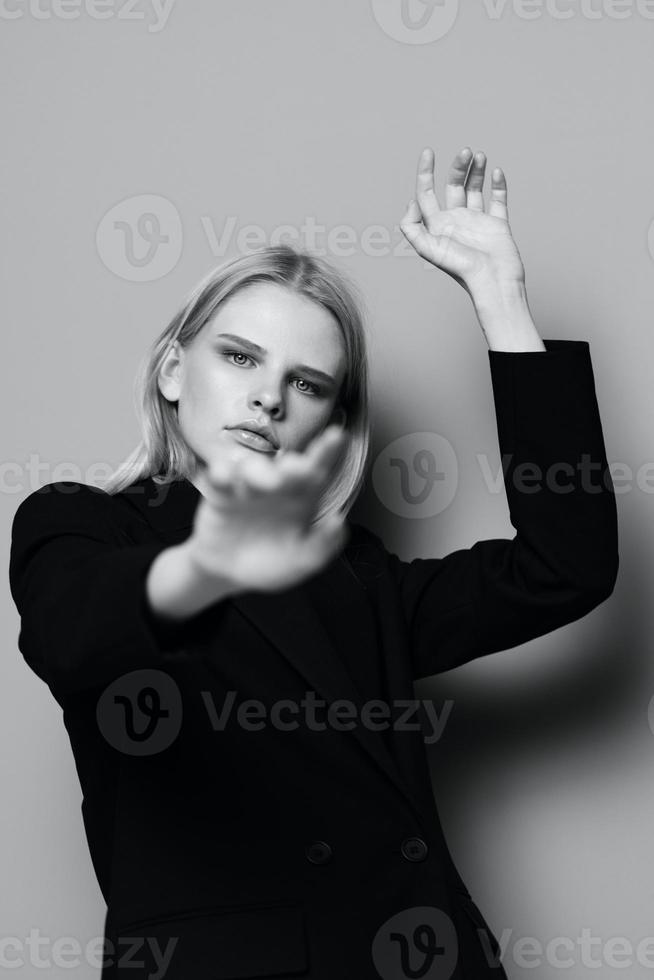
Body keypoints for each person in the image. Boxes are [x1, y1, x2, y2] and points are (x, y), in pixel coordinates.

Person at [9, 146, 618, 980]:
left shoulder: (361, 583)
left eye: (309, 383)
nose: (268, 398)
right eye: (240, 357)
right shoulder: (86, 524)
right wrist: (206, 563)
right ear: (173, 370)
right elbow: (70, 631)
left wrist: (501, 299)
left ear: (332, 426)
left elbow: (564, 567)